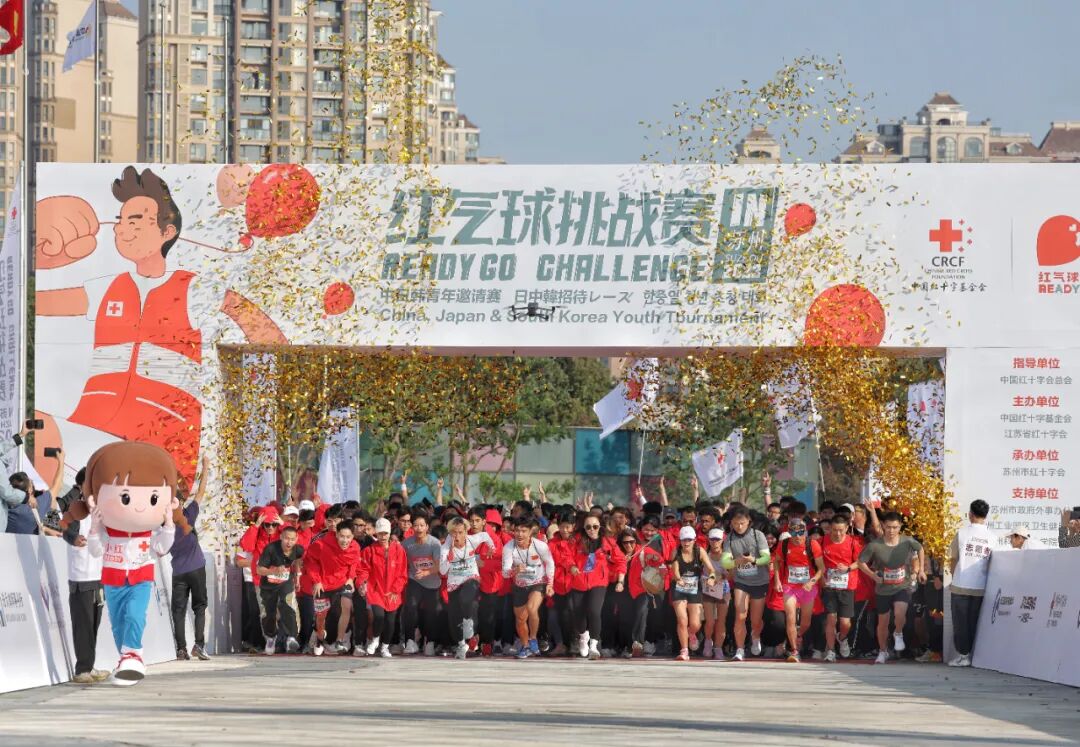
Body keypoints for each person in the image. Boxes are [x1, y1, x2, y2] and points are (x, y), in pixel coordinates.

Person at [59, 466, 109, 684]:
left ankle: (89, 665)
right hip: (81, 577)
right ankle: (82, 670)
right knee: (83, 626)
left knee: (94, 624)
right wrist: (73, 538)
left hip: (99, 577)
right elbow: (63, 527)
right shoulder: (74, 507)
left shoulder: (101, 509)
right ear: (81, 486)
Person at [857, 511, 926, 665]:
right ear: (883, 526)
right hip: (883, 589)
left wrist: (921, 570)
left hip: (902, 585)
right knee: (883, 622)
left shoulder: (907, 541)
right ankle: (883, 651)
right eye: (888, 527)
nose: (891, 531)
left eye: (895, 527)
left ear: (900, 526)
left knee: (900, 612)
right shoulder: (875, 545)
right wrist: (873, 575)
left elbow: (920, 549)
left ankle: (898, 633)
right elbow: (861, 562)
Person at [566, 513, 626, 660]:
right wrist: (571, 566)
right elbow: (566, 557)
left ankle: (594, 645)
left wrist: (620, 581)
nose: (592, 530)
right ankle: (583, 636)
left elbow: (621, 561)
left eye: (595, 526)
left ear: (600, 527)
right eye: (588, 527)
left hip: (599, 582)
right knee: (578, 613)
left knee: (594, 611)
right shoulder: (576, 541)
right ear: (584, 528)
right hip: (579, 581)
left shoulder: (608, 542)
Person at [169, 458, 210, 661]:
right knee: (199, 607)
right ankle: (199, 645)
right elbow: (201, 492)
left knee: (178, 611)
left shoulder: (164, 524)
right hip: (196, 567)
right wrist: (206, 467)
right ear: (181, 502)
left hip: (178, 572)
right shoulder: (188, 514)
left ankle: (181, 649)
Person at [440, 516, 496, 659]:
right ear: (450, 533)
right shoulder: (445, 547)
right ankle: (461, 645)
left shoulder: (472, 540)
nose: (457, 536)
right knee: (454, 617)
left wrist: (492, 547)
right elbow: (442, 571)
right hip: (454, 582)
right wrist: (449, 558)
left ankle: (468, 624)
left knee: (466, 598)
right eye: (454, 533)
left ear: (466, 532)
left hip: (471, 577)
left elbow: (485, 536)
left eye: (460, 532)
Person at [947, 499, 993, 668]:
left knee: (960, 622)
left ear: (970, 515)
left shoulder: (961, 533)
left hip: (961, 584)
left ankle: (963, 655)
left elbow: (953, 559)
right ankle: (971, 655)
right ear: (985, 516)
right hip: (981, 586)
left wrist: (954, 576)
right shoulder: (993, 537)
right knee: (974, 622)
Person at [721, 506, 771, 661]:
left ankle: (755, 636)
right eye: (736, 523)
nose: (739, 526)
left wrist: (753, 560)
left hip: (759, 582)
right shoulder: (729, 538)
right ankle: (740, 649)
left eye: (742, 523)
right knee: (740, 615)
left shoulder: (758, 535)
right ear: (731, 522)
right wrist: (736, 562)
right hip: (741, 581)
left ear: (749, 521)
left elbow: (767, 558)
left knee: (755, 620)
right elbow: (725, 562)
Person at [501, 518, 555, 659]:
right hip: (520, 585)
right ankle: (525, 647)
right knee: (520, 619)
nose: (520, 534)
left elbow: (550, 563)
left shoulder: (540, 546)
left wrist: (550, 584)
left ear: (530, 532)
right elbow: (505, 573)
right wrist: (514, 570)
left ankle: (533, 639)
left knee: (532, 608)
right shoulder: (508, 547)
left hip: (538, 582)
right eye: (517, 531)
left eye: (524, 531)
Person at [307, 522, 362, 655]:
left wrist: (351, 578)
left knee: (346, 605)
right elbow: (311, 561)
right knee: (321, 616)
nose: (345, 540)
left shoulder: (355, 547)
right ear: (336, 534)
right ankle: (319, 638)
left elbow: (354, 563)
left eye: (348, 537)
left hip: (342, 583)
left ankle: (340, 640)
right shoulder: (321, 545)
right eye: (342, 536)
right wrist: (317, 581)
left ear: (353, 537)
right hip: (323, 584)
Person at [774, 518, 824, 663]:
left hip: (807, 587)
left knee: (805, 622)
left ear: (805, 532)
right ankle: (795, 650)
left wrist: (812, 581)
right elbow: (776, 561)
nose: (797, 537)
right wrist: (777, 580)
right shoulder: (784, 544)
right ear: (789, 532)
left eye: (800, 533)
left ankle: (798, 635)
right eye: (793, 533)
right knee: (790, 616)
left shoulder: (812, 544)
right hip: (789, 586)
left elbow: (822, 569)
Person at [356, 518, 408, 658]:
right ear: (376, 534)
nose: (383, 536)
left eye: (385, 533)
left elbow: (402, 573)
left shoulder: (398, 550)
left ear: (389, 533)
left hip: (393, 591)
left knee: (391, 621)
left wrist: (396, 589)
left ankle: (385, 647)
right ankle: (375, 639)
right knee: (379, 616)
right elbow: (363, 570)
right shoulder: (369, 551)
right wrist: (362, 583)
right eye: (380, 533)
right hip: (376, 590)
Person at [625, 516, 671, 658]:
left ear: (657, 530)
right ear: (641, 528)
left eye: (652, 530)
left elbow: (667, 559)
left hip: (657, 582)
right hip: (639, 583)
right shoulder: (634, 539)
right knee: (642, 610)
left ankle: (650, 641)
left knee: (656, 613)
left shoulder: (663, 540)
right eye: (646, 529)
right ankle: (637, 642)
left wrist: (661, 567)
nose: (649, 533)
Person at [670, 525, 717, 661]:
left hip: (694, 589)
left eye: (689, 540)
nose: (686, 543)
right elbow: (675, 571)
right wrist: (678, 579)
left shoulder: (699, 551)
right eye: (683, 540)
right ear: (680, 540)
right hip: (679, 588)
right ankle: (684, 650)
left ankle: (691, 633)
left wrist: (711, 578)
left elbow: (711, 569)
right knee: (682, 620)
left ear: (694, 540)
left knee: (696, 623)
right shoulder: (676, 552)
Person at [400, 513, 445, 655]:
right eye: (415, 525)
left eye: (421, 525)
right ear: (412, 527)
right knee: (410, 607)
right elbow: (401, 562)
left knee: (432, 612)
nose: (418, 528)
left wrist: (426, 572)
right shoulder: (406, 544)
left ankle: (430, 642)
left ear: (427, 527)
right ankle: (410, 641)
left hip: (432, 583)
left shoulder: (434, 543)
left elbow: (439, 566)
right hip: (414, 580)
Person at [820, 513, 863, 661]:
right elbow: (816, 560)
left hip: (847, 586)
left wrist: (848, 568)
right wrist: (821, 577)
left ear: (846, 529)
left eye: (841, 530)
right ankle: (831, 651)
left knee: (845, 623)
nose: (837, 533)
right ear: (830, 529)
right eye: (834, 530)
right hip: (829, 586)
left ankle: (842, 638)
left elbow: (860, 562)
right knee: (831, 620)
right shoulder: (822, 541)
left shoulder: (853, 542)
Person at [256, 525, 304, 655]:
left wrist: (297, 577)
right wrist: (274, 570)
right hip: (269, 585)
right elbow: (259, 570)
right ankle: (270, 637)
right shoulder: (271, 549)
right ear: (281, 537)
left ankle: (291, 637)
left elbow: (298, 561)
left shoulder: (298, 550)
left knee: (288, 604)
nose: (289, 542)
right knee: (269, 612)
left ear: (296, 539)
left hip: (285, 582)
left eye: (292, 539)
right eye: (287, 539)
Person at [702, 527, 730, 660]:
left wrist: (723, 575)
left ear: (722, 540)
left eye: (717, 539)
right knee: (710, 621)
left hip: (723, 590)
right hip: (708, 589)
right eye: (712, 539)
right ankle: (708, 641)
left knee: (721, 621)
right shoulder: (705, 555)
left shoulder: (727, 556)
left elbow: (732, 575)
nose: (715, 542)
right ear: (709, 540)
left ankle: (718, 647)